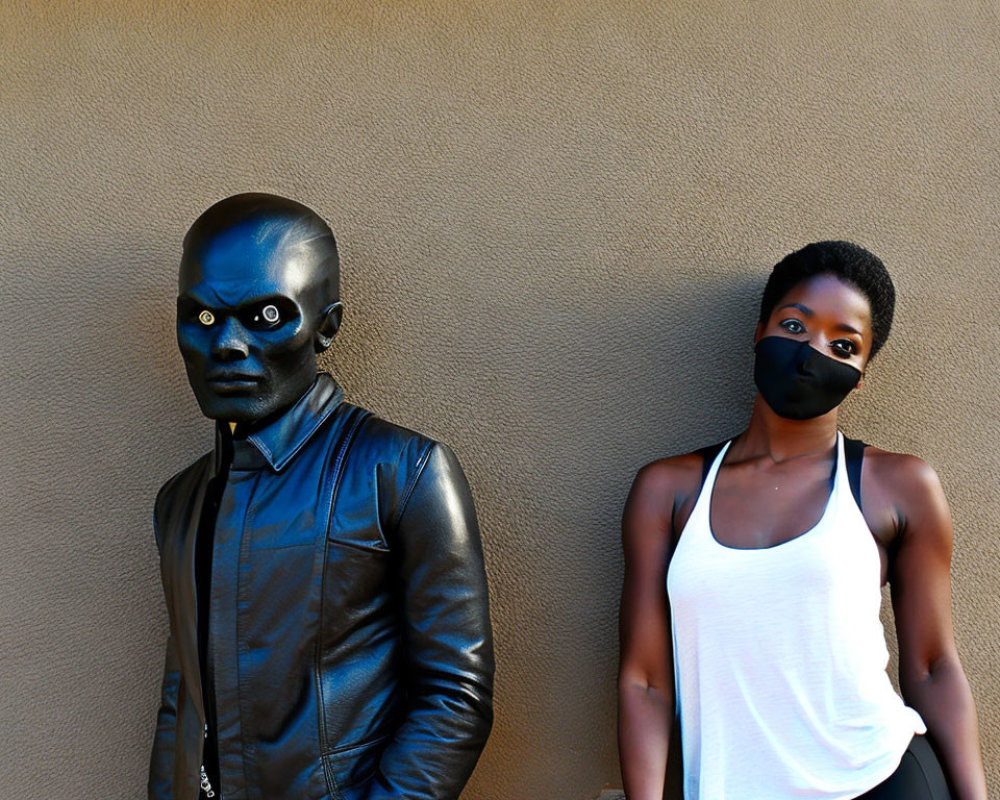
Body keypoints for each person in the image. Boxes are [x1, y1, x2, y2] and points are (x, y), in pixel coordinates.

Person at [148, 193, 494, 800]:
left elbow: (454, 695)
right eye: (203, 319)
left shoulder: (402, 471)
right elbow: (181, 697)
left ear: (326, 326)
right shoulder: (180, 501)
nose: (227, 345)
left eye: (264, 316)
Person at [617, 241, 986, 800]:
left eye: (843, 344)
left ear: (860, 374)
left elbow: (934, 667)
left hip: (881, 778)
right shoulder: (668, 491)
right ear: (759, 330)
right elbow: (644, 681)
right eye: (794, 326)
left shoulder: (897, 486)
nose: (812, 352)